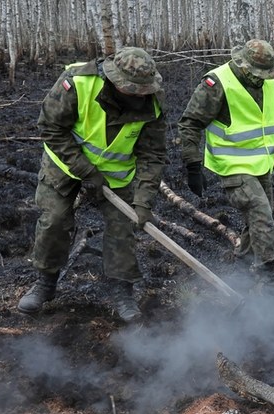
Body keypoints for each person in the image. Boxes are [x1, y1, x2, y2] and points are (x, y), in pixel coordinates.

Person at [17, 47, 166, 323]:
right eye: (131, 89)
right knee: (55, 220)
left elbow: (152, 155)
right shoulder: (78, 82)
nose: (138, 95)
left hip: (115, 176)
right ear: (114, 81)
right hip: (64, 163)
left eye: (142, 90)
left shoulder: (153, 103)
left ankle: (123, 290)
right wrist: (85, 170)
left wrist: (144, 201)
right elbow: (50, 127)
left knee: (123, 228)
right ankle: (45, 284)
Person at [178, 39, 274, 301]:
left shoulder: (269, 82)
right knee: (261, 212)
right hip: (231, 165)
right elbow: (189, 124)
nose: (262, 78)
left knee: (256, 222)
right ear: (243, 65)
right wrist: (192, 165)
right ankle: (270, 280)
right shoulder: (217, 83)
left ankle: (242, 275)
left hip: (261, 163)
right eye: (257, 74)